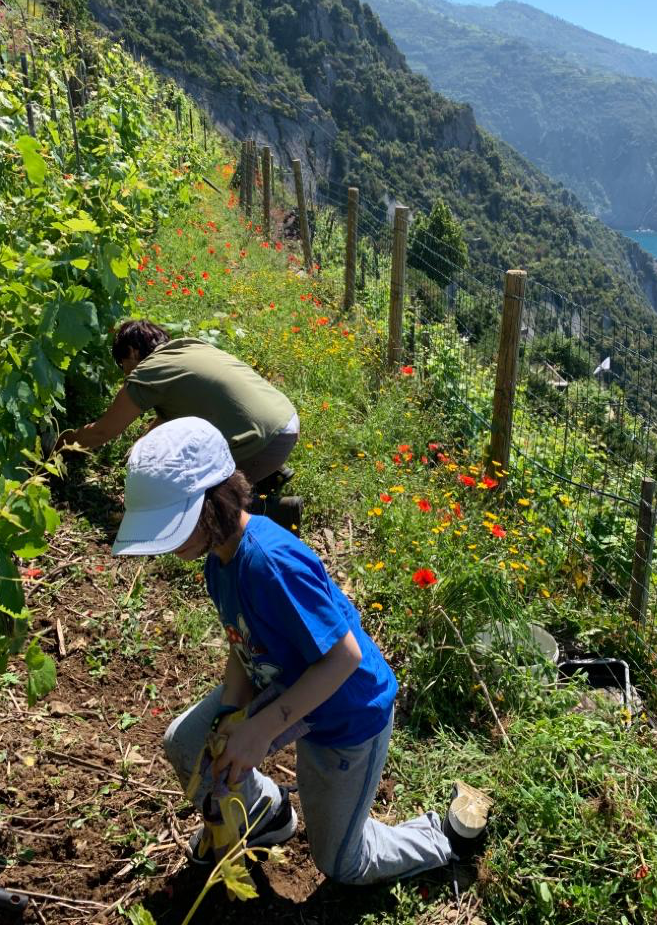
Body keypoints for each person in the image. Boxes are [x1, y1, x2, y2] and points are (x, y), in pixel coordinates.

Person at [112, 417, 491, 885]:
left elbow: (344, 657)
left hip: (346, 714)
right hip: (290, 686)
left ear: (212, 505)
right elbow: (242, 645)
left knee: (342, 863)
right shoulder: (218, 561)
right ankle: (267, 815)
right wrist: (232, 715)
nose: (165, 545)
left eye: (173, 525)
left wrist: (260, 729)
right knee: (190, 743)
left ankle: (443, 836)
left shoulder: (271, 563)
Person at [58, 319, 302, 525]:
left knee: (185, 506)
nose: (126, 374)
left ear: (132, 352)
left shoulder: (149, 371)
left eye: (123, 366)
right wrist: (142, 442)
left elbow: (102, 432)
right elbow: (171, 414)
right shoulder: (189, 348)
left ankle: (277, 511)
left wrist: (61, 442)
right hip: (284, 421)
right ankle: (268, 475)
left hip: (264, 444)